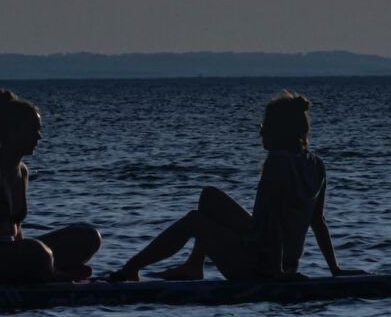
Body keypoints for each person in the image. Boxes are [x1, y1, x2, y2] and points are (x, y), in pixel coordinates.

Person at [110, 90, 363, 281]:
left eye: (263, 127)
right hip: (284, 261)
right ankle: (193, 265)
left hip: (259, 265)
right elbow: (318, 222)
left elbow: (273, 221)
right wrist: (335, 270)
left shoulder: (277, 163)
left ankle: (130, 268)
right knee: (209, 195)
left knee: (194, 221)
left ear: (278, 131)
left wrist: (275, 273)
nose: (260, 133)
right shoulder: (316, 164)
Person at [0, 88, 101, 286]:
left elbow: (16, 230)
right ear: (13, 131)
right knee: (38, 252)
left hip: (7, 257)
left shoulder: (22, 171)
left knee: (88, 236)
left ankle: (47, 270)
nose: (39, 137)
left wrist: (24, 255)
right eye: (33, 130)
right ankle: (54, 274)